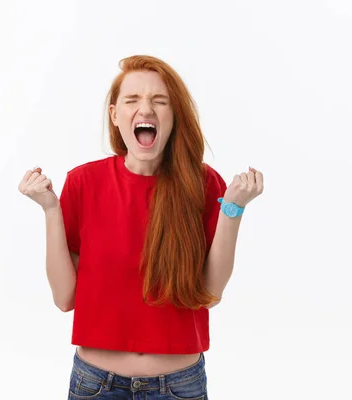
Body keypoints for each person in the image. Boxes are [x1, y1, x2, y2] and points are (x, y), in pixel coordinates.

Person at [18, 55, 264, 399]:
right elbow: (64, 298)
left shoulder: (204, 185)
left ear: (174, 115)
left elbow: (211, 292)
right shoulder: (83, 182)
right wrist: (50, 210)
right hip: (96, 385)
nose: (145, 109)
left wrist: (234, 210)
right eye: (132, 100)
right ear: (115, 115)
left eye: (159, 101)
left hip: (178, 386)